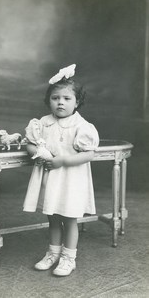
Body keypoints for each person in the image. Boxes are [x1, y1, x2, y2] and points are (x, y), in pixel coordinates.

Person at [23, 64, 99, 276]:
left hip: (71, 179)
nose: (60, 103)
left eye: (66, 98)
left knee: (69, 218)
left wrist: (63, 161)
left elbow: (89, 154)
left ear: (77, 102)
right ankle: (52, 253)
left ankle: (68, 258)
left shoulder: (81, 125)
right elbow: (30, 143)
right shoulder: (43, 123)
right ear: (49, 101)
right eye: (55, 98)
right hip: (51, 179)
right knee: (53, 218)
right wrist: (37, 152)